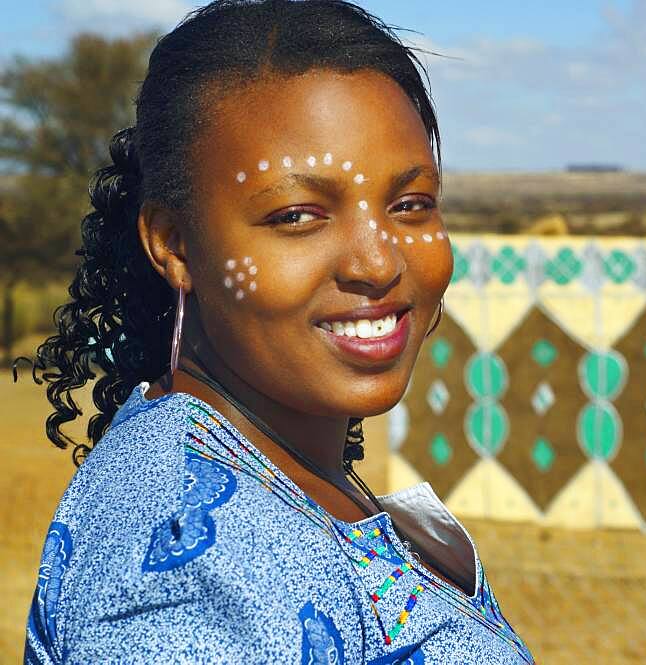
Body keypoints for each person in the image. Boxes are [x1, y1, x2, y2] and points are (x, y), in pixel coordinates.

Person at [19, 2, 532, 662]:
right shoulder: (187, 581)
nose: (379, 261)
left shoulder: (280, 466)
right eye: (297, 215)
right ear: (175, 244)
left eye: (409, 205)